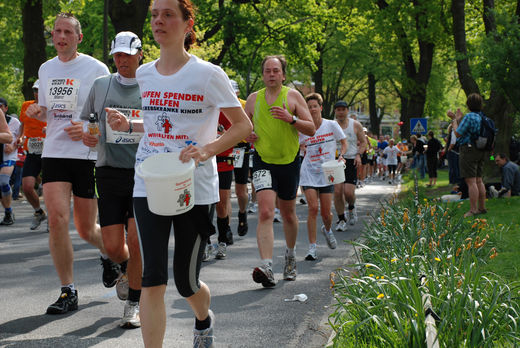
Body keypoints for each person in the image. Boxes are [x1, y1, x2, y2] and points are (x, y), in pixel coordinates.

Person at [105, 1, 252, 346]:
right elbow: (160, 124)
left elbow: (243, 125)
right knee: (152, 276)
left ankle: (203, 319)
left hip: (194, 186)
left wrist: (207, 149)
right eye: (155, 14)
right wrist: (131, 123)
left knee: (185, 281)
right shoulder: (145, 73)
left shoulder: (208, 74)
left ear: (188, 24)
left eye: (168, 14)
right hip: (150, 181)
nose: (158, 20)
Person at [25, 12, 111, 314]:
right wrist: (39, 111)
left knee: (86, 229)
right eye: (56, 32)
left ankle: (109, 253)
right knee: (57, 220)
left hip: (86, 155)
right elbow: (50, 111)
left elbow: (109, 115)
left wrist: (88, 129)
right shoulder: (46, 69)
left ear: (79, 37)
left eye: (67, 32)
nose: (60, 37)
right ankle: (68, 290)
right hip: (55, 152)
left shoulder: (97, 69)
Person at [80, 31, 144, 329]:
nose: (121, 61)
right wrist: (88, 137)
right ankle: (122, 266)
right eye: (117, 55)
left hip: (143, 172)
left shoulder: (152, 84)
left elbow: (161, 125)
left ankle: (134, 302)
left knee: (136, 240)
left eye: (127, 55)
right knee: (114, 246)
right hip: (108, 171)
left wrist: (131, 124)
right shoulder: (101, 85)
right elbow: (90, 124)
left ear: (140, 54)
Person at [244, 54, 315, 286]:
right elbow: (242, 127)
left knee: (288, 214)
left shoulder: (292, 96)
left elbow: (311, 128)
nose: (271, 74)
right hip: (263, 161)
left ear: (283, 75)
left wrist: (291, 119)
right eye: (267, 70)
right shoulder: (254, 99)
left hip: (289, 162)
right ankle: (266, 266)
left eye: (276, 70)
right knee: (265, 212)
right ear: (263, 75)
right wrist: (247, 134)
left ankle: (291, 255)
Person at [300, 93, 346, 260]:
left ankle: (327, 230)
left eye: (314, 106)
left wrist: (341, 156)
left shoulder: (331, 125)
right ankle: (312, 248)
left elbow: (344, 142)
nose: (312, 109)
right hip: (309, 172)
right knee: (313, 209)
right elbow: (294, 145)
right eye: (309, 107)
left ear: (320, 107)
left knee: (327, 214)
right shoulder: (303, 128)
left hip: (328, 172)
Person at [450, 93, 487, 217]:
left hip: (469, 149)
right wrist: (459, 119)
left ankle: (473, 210)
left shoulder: (469, 116)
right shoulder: (482, 117)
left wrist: (455, 120)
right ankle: (482, 208)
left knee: (470, 181)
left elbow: (458, 133)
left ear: (468, 104)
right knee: (479, 180)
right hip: (481, 149)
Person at [332, 101, 366, 231]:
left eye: (343, 109)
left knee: (348, 193)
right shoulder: (331, 125)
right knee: (337, 192)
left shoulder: (355, 125)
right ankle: (341, 219)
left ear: (347, 111)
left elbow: (363, 142)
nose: (340, 112)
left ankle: (351, 207)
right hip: (336, 161)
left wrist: (358, 154)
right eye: (338, 110)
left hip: (351, 160)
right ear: (335, 111)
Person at [19, 80, 48, 230]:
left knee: (50, 188)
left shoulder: (52, 107)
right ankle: (39, 212)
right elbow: (22, 124)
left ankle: (53, 217)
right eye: (35, 90)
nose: (36, 93)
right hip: (32, 150)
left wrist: (48, 130)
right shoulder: (26, 105)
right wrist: (19, 136)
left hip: (49, 151)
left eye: (39, 90)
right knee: (27, 186)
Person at [0, 98, 21, 225]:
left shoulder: (14, 122)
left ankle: (8, 212)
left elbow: (21, 137)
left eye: (1, 106)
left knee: (3, 182)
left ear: (6, 108)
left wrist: (14, 146)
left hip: (8, 156)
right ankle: (8, 212)